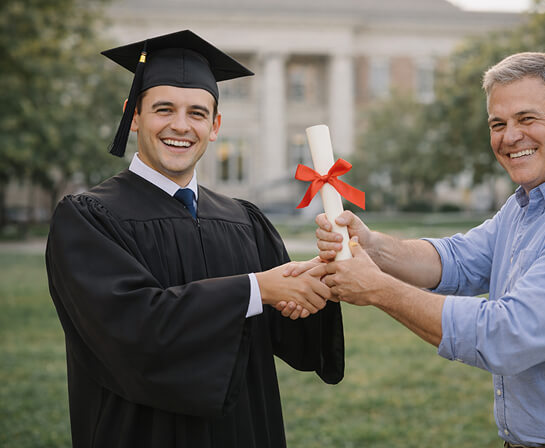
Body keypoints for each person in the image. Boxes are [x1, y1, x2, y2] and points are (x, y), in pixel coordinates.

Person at [307, 52, 545, 447]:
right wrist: (372, 245)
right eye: (498, 124)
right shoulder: (529, 204)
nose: (510, 136)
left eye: (527, 119)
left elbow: (508, 336)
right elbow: (457, 261)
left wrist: (378, 289)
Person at [45, 30, 343, 448]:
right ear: (133, 115)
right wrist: (258, 288)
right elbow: (133, 328)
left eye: (198, 113)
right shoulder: (89, 219)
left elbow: (291, 334)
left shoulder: (244, 220)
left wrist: (321, 277)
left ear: (216, 126)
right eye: (163, 109)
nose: (181, 126)